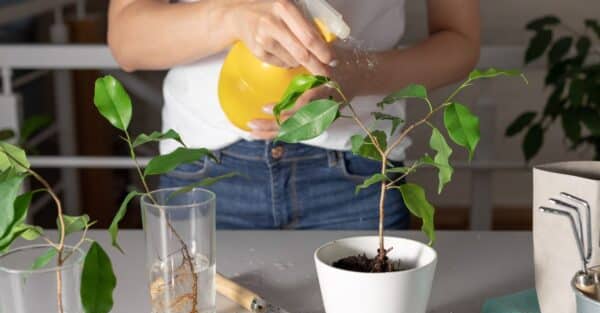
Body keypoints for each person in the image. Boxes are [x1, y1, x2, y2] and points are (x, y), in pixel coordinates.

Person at [107, 0, 480, 230]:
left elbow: (459, 42)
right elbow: (127, 38)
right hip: (203, 171)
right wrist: (232, 17)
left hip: (357, 170)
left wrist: (357, 74)